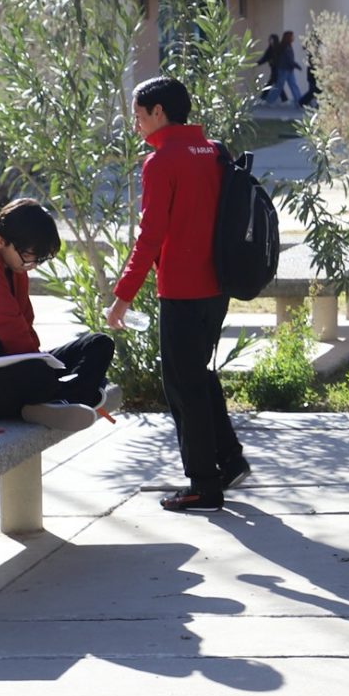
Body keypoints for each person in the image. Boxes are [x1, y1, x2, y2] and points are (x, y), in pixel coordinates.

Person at [105, 76, 249, 513]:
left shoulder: (162, 161)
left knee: (183, 386)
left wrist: (122, 296)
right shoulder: (214, 151)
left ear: (159, 112)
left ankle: (204, 486)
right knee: (199, 376)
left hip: (184, 290)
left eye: (138, 115)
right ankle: (228, 460)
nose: (135, 125)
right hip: (218, 285)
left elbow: (151, 236)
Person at [0, 200, 118, 430]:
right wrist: (41, 369)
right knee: (37, 373)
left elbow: (25, 324)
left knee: (98, 344)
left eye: (39, 259)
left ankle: (59, 400)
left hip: (6, 371)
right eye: (29, 257)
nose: (32, 265)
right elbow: (10, 327)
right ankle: (69, 396)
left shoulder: (14, 264)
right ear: (0, 240)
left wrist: (43, 363)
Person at [271, 30, 305, 105]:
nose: (293, 38)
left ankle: (300, 101)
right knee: (279, 86)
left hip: (288, 69)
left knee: (293, 85)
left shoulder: (288, 46)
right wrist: (297, 66)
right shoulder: (285, 47)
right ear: (288, 37)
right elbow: (288, 59)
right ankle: (269, 101)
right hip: (284, 69)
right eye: (292, 36)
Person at [254, 34, 281, 101]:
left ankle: (263, 97)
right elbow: (264, 58)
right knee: (274, 82)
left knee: (275, 83)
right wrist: (257, 63)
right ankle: (263, 97)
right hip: (274, 69)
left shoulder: (279, 49)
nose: (271, 41)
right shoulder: (270, 50)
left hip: (280, 68)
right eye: (270, 40)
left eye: (272, 40)